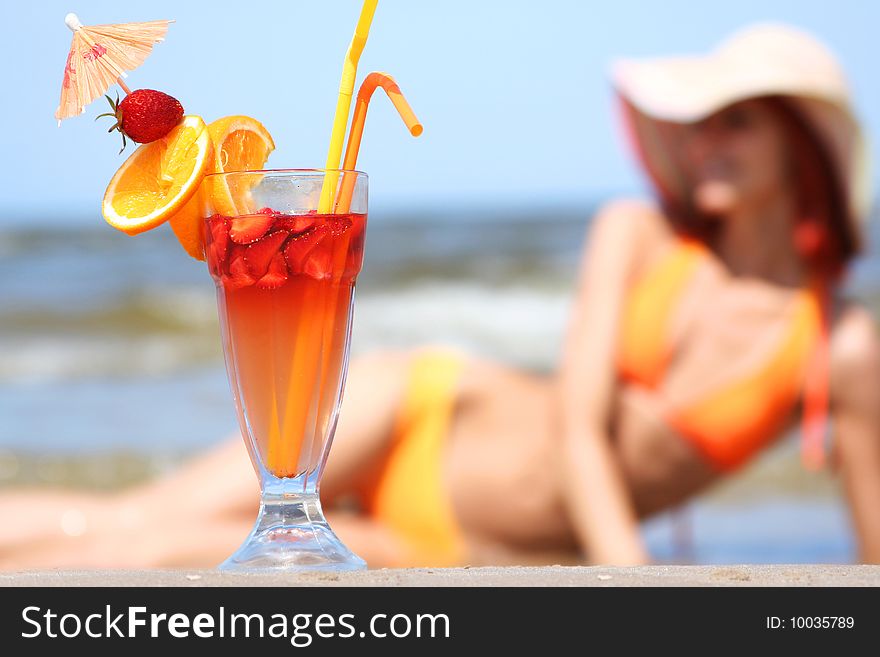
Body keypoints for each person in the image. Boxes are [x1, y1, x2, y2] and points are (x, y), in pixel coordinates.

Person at [2, 23, 879, 569]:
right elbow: (580, 428)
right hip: (426, 411)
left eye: (737, 121)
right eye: (698, 123)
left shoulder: (840, 345)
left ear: (801, 147)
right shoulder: (640, 234)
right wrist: (630, 581)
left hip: (476, 539)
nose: (703, 145)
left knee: (159, 552)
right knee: (139, 523)